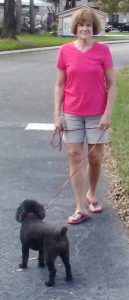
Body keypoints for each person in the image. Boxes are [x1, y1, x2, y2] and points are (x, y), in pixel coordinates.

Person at [54, 8, 116, 224]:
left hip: (97, 113)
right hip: (71, 112)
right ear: (75, 28)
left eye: (89, 25)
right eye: (81, 25)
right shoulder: (64, 51)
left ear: (94, 27)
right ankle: (80, 206)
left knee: (95, 158)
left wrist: (107, 113)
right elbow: (60, 84)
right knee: (74, 156)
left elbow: (112, 84)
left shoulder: (103, 51)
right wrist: (57, 114)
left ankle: (91, 193)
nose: (85, 28)